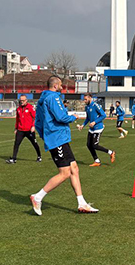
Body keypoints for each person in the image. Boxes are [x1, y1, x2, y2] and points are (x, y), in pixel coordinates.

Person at [30, 76, 98, 216]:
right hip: (57, 139)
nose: (62, 87)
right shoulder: (53, 97)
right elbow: (61, 117)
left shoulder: (44, 99)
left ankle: (82, 203)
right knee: (65, 173)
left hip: (58, 138)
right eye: (61, 85)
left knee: (74, 169)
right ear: (55, 86)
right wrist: (73, 117)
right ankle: (38, 197)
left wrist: (44, 135)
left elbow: (38, 122)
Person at [78, 93, 115, 167]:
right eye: (84, 99)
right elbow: (88, 118)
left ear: (90, 98)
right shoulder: (87, 107)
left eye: (85, 99)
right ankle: (97, 161)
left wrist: (94, 122)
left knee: (94, 145)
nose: (84, 101)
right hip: (91, 129)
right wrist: (82, 125)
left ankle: (111, 152)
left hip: (98, 128)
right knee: (89, 145)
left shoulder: (95, 105)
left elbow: (103, 115)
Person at [6, 95, 42, 164]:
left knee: (34, 143)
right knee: (16, 144)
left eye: (23, 100)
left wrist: (33, 126)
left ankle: (39, 156)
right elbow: (17, 119)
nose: (21, 102)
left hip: (29, 130)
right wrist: (16, 128)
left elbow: (35, 118)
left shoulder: (30, 108)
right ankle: (14, 158)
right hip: (20, 130)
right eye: (20, 101)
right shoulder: (18, 109)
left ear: (26, 100)